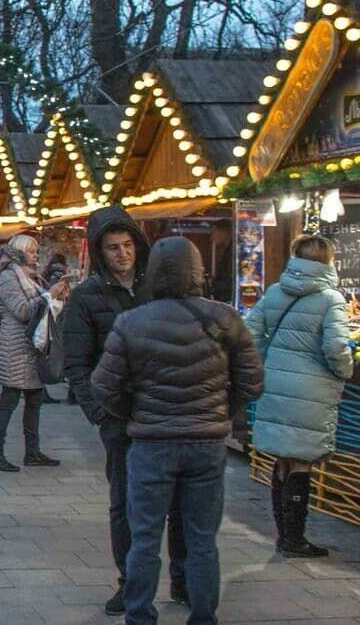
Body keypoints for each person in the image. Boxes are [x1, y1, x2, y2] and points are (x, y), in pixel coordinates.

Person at [92, 236, 263, 625]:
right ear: (197, 271)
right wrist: (220, 411)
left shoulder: (131, 322)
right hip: (206, 444)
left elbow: (103, 387)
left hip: (151, 443)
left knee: (145, 538)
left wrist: (136, 412)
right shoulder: (224, 318)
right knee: (202, 539)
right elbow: (252, 381)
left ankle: (140, 614)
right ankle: (203, 615)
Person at [62, 205, 186, 615]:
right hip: (120, 416)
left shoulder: (159, 286)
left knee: (179, 499)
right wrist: (98, 411)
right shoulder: (87, 297)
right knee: (127, 502)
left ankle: (183, 578)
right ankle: (130, 582)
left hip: (167, 410)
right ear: (100, 252)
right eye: (113, 247)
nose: (122, 254)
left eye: (128, 244)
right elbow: (76, 362)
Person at [245, 235, 352, 558]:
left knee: (283, 458)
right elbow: (336, 347)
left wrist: (269, 362)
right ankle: (295, 538)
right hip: (312, 388)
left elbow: (250, 333)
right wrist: (344, 370)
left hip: (276, 384)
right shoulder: (330, 299)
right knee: (302, 461)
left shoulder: (276, 291)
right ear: (328, 261)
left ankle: (284, 535)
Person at [0, 233, 67, 473]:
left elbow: (41, 308)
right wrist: (49, 295)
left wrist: (58, 298)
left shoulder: (31, 278)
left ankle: (32, 451)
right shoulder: (7, 279)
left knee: (34, 400)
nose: (36, 255)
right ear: (21, 253)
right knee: (8, 400)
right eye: (32, 251)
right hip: (15, 347)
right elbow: (22, 311)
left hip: (32, 347)